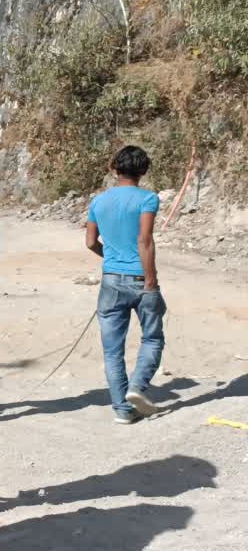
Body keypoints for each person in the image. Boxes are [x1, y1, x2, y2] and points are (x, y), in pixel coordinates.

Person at [85, 145, 165, 424]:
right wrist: (151, 279)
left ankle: (122, 409)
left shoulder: (98, 201)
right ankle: (136, 387)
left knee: (112, 351)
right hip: (140, 279)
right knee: (153, 338)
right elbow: (144, 240)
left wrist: (111, 258)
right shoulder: (148, 199)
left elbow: (90, 242)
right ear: (143, 171)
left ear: (114, 168)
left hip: (110, 281)